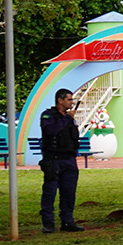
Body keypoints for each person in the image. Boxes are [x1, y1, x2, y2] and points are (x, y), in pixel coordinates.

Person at [38, 88, 83, 233]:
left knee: (69, 192)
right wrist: (67, 118)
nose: (71, 103)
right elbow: (52, 131)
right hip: (53, 160)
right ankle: (48, 223)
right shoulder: (48, 116)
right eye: (69, 100)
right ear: (60, 100)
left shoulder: (69, 118)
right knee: (50, 192)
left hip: (69, 160)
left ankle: (67, 221)